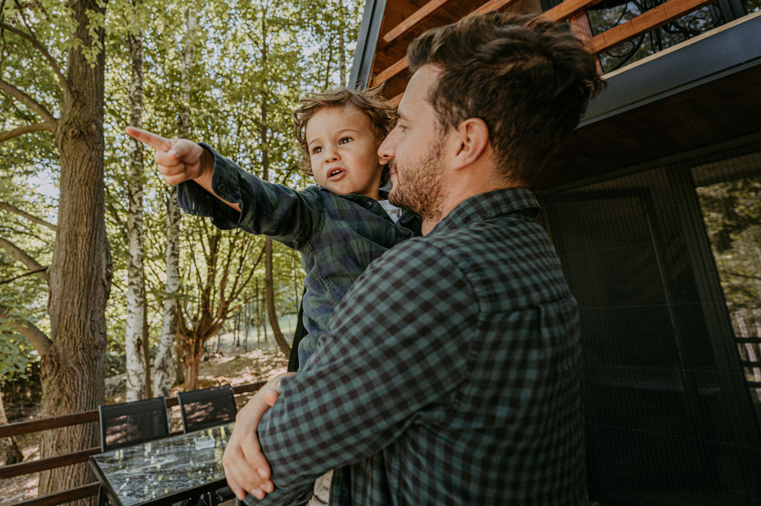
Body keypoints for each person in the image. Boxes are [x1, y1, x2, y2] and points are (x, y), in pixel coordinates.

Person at [221, 11, 604, 505]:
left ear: (465, 143)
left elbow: (265, 477)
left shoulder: (430, 273)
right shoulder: (530, 250)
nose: (386, 149)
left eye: (402, 126)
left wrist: (268, 401)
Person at [126, 87, 420, 368]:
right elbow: (264, 201)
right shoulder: (317, 210)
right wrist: (203, 167)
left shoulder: (415, 212)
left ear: (383, 145)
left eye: (344, 140)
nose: (329, 155)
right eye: (317, 148)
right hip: (336, 372)